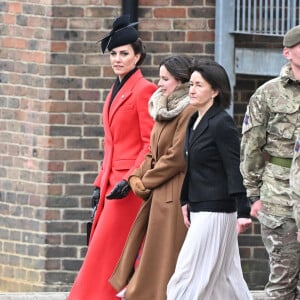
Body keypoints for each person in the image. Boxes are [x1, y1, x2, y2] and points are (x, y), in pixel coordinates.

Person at [68, 15, 157, 300]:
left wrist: (131, 179)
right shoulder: (116, 88)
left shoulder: (144, 90)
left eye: (124, 54)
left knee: (107, 250)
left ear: (138, 56)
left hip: (127, 187)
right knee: (103, 249)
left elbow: (149, 143)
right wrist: (98, 184)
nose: (117, 59)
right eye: (113, 54)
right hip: (110, 182)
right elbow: (112, 144)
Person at [109, 55, 197, 300]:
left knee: (164, 260)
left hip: (174, 193)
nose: (159, 84)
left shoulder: (188, 110)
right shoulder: (163, 108)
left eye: (165, 79)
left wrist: (144, 182)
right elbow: (152, 150)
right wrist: (136, 177)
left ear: (180, 82)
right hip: (158, 192)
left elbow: (177, 157)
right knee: (149, 256)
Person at [167, 59, 253, 300]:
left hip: (217, 210)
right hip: (200, 207)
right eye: (191, 84)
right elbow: (193, 168)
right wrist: (185, 200)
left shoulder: (221, 122)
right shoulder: (194, 122)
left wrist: (243, 210)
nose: (192, 89)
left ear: (215, 91)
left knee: (187, 273)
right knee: (226, 278)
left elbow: (235, 167)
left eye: (199, 85)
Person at [240, 25, 300, 299]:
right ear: (287, 52)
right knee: (282, 283)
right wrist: (253, 195)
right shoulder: (267, 94)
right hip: (279, 194)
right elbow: (251, 147)